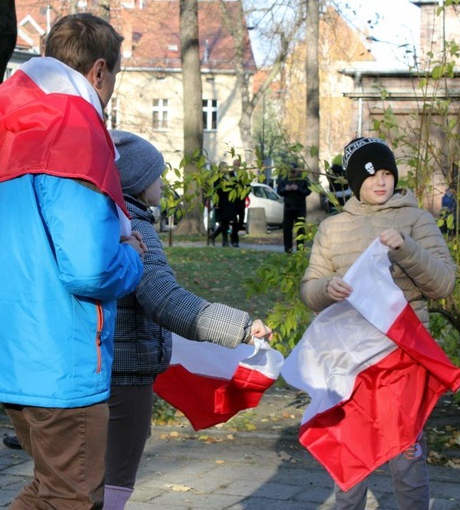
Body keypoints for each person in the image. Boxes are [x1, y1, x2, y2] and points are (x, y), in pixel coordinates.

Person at [0, 13, 146, 510]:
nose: (110, 90)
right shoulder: (73, 128)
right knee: (71, 497)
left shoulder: (6, 124)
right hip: (61, 359)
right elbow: (91, 269)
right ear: (99, 71)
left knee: (51, 489)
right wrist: (133, 257)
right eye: (114, 77)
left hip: (14, 351)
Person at [105, 131, 272, 508]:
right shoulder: (134, 226)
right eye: (156, 175)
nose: (161, 183)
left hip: (98, 366)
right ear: (135, 180)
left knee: (88, 482)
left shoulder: (104, 218)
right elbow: (164, 300)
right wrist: (242, 328)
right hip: (126, 373)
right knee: (111, 487)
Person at [299, 137, 456, 510]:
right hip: (351, 359)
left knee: (406, 455)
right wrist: (326, 288)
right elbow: (309, 290)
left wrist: (406, 248)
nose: (381, 182)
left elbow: (443, 283)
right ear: (355, 182)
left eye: (387, 173)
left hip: (404, 358)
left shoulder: (417, 220)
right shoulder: (333, 229)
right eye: (371, 176)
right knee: (351, 453)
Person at [276, 162, 312, 253]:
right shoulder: (284, 179)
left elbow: (308, 191)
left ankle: (300, 250)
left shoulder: (303, 179)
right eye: (290, 172)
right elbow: (279, 191)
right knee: (287, 229)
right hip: (288, 208)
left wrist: (298, 189)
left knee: (300, 229)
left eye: (293, 172)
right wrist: (285, 189)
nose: (292, 174)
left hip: (300, 207)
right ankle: (288, 250)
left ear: (297, 171)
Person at [208, 161, 241, 247]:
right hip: (221, 203)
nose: (226, 169)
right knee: (223, 223)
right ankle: (224, 241)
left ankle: (213, 236)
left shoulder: (230, 176)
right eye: (224, 167)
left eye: (226, 167)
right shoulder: (217, 178)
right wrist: (216, 204)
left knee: (226, 222)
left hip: (230, 203)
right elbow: (216, 192)